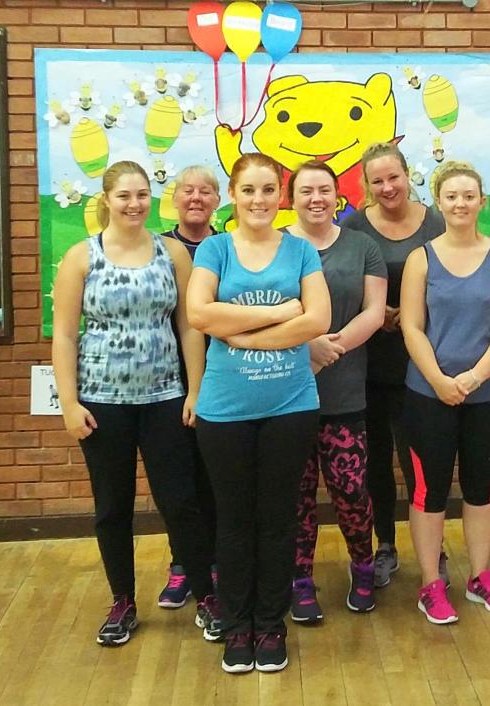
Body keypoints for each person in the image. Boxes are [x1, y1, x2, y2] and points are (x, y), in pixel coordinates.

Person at [50, 160, 220, 646]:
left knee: (181, 502)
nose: (134, 204)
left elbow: (190, 327)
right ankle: (122, 600)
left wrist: (195, 389)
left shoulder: (172, 253)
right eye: (124, 195)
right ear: (106, 199)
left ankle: (207, 597)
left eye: (142, 194)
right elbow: (64, 336)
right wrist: (68, 402)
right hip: (101, 404)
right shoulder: (81, 258)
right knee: (112, 507)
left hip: (165, 399)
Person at [187, 152, 330, 674]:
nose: (259, 199)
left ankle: (270, 624)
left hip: (290, 406)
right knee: (233, 522)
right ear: (232, 195)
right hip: (224, 410)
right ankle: (237, 624)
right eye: (248, 190)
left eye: (269, 189)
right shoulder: (215, 249)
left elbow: (317, 319)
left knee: (277, 520)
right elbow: (199, 313)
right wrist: (277, 314)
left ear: (281, 195)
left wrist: (242, 334)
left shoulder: (300, 251)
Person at [399, 161, 490, 624]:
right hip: (428, 395)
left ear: (482, 202)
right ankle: (431, 583)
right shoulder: (421, 259)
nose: (460, 204)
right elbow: (412, 326)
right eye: (451, 196)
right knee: (429, 491)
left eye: (469, 196)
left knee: (481, 488)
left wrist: (474, 378)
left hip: (487, 396)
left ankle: (480, 576)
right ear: (438, 201)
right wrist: (438, 379)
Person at [286, 160, 388, 620]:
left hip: (345, 392)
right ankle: (300, 578)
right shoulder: (277, 246)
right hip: (286, 392)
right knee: (297, 495)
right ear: (292, 198)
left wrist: (328, 349)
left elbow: (374, 311)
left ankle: (363, 566)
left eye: (324, 190)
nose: (316, 199)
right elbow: (266, 307)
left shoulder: (363, 246)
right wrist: (304, 347)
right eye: (306, 191)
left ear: (337, 195)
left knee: (350, 491)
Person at [341, 142, 446, 588]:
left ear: (407, 174)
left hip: (422, 363)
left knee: (420, 459)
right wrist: (373, 313)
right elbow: (340, 285)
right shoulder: (353, 226)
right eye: (377, 181)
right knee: (375, 462)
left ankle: (434, 549)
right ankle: (385, 544)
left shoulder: (436, 222)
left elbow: (453, 280)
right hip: (366, 365)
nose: (387, 187)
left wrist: (414, 313)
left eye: (393, 177)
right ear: (367, 185)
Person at [158, 164, 221, 609]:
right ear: (176, 198)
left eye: (205, 191)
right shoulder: (158, 248)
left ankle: (215, 563)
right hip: (168, 381)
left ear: (218, 200)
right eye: (188, 191)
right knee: (179, 479)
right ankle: (182, 564)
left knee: (216, 475)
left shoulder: (230, 246)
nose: (196, 198)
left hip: (226, 374)